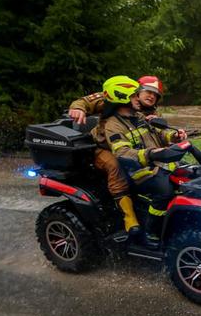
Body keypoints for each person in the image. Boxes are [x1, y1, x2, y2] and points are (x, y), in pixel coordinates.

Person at [67, 76, 177, 236]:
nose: (151, 96)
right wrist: (78, 108)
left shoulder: (148, 111)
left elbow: (156, 134)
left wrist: (172, 138)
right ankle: (129, 217)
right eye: (148, 91)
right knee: (115, 165)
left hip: (129, 145)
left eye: (156, 95)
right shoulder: (112, 97)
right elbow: (85, 101)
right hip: (103, 144)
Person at [100, 76, 186, 243]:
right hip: (138, 172)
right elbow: (122, 152)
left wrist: (174, 136)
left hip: (159, 165)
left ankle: (180, 222)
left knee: (190, 179)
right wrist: (151, 154)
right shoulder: (113, 125)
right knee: (165, 191)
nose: (137, 98)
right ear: (122, 98)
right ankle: (152, 230)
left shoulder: (139, 116)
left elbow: (159, 133)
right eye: (134, 96)